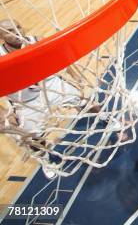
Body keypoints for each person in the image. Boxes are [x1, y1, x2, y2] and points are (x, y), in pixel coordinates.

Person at [0, 19, 101, 179]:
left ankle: (105, 118)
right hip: (25, 101)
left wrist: (76, 77)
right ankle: (46, 161)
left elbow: (61, 58)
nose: (17, 31)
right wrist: (5, 113)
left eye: (18, 26)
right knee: (32, 138)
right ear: (1, 36)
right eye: (9, 30)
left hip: (50, 85)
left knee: (83, 99)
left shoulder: (36, 41)